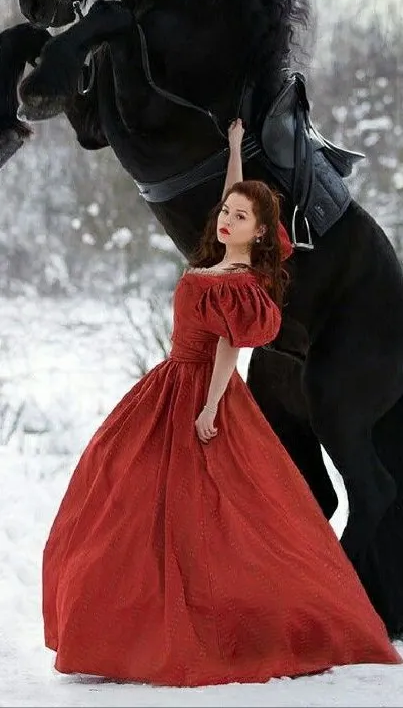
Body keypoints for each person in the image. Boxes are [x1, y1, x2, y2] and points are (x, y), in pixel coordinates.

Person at [42, 119, 401, 687]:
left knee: (207, 507)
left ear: (258, 235)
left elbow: (231, 350)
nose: (225, 219)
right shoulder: (219, 252)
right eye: (226, 213)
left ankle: (211, 621)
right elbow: (230, 198)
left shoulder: (239, 279)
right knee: (122, 491)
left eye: (238, 217)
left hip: (202, 390)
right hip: (168, 385)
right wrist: (235, 151)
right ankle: (129, 616)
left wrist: (209, 409)